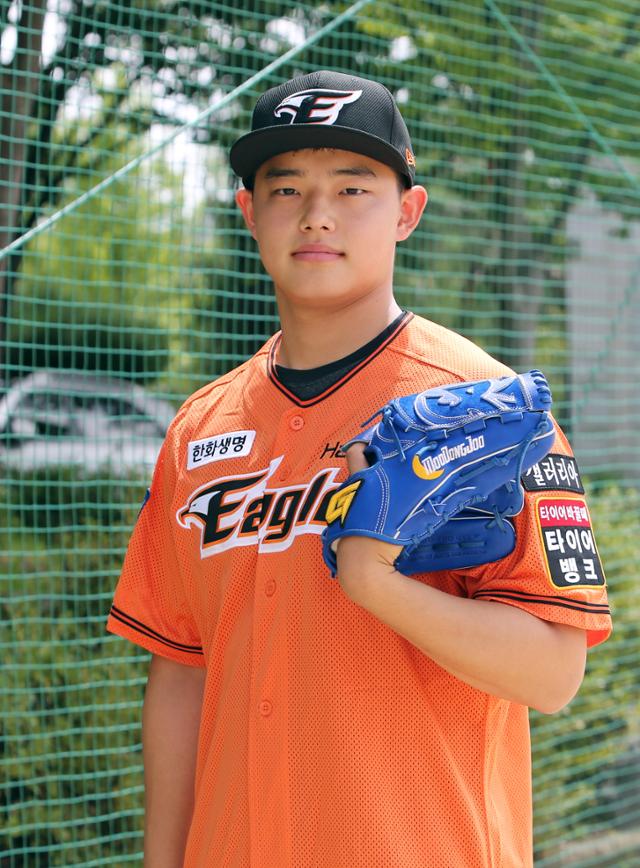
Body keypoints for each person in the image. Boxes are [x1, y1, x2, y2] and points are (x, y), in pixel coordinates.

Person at [106, 70, 612, 868]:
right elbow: (180, 673)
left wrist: (378, 582)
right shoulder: (199, 428)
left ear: (407, 212)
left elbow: (553, 674)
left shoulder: (491, 410)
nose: (317, 213)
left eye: (353, 187)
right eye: (286, 188)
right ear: (249, 212)